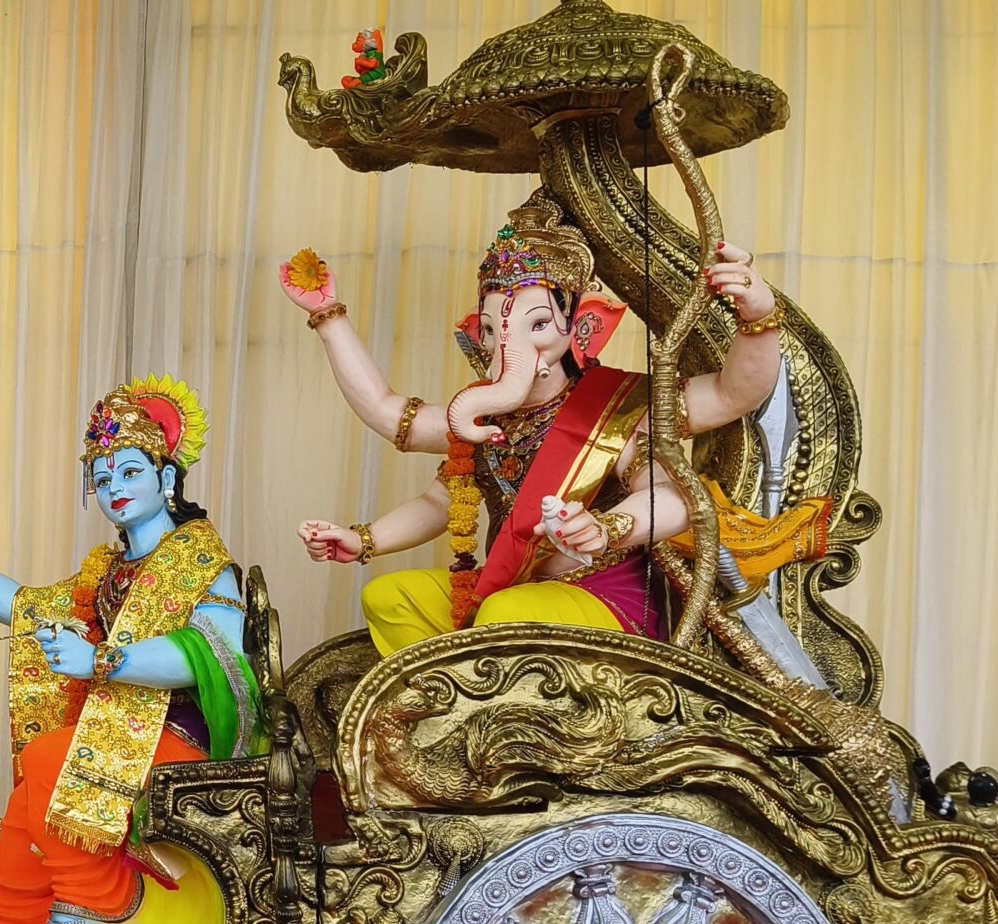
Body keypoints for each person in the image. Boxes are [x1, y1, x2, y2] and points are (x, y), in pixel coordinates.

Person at [284, 190, 809, 659]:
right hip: (512, 588)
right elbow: (423, 475)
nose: (510, 344)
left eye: (537, 325)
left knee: (503, 616)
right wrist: (365, 539)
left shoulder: (618, 405)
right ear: (479, 334)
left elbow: (713, 428)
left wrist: (757, 315)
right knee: (389, 596)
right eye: (494, 330)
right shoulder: (484, 418)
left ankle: (501, 717)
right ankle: (453, 712)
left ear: (581, 325)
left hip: (603, 592)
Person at [0, 377, 257, 924]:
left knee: (48, 758)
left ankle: (98, 906)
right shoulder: (107, 573)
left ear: (167, 478)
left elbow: (210, 653)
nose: (115, 487)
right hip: (118, 732)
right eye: (103, 476)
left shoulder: (206, 565)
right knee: (27, 792)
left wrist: (104, 661)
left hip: (185, 741)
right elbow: (27, 607)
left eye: (131, 471)